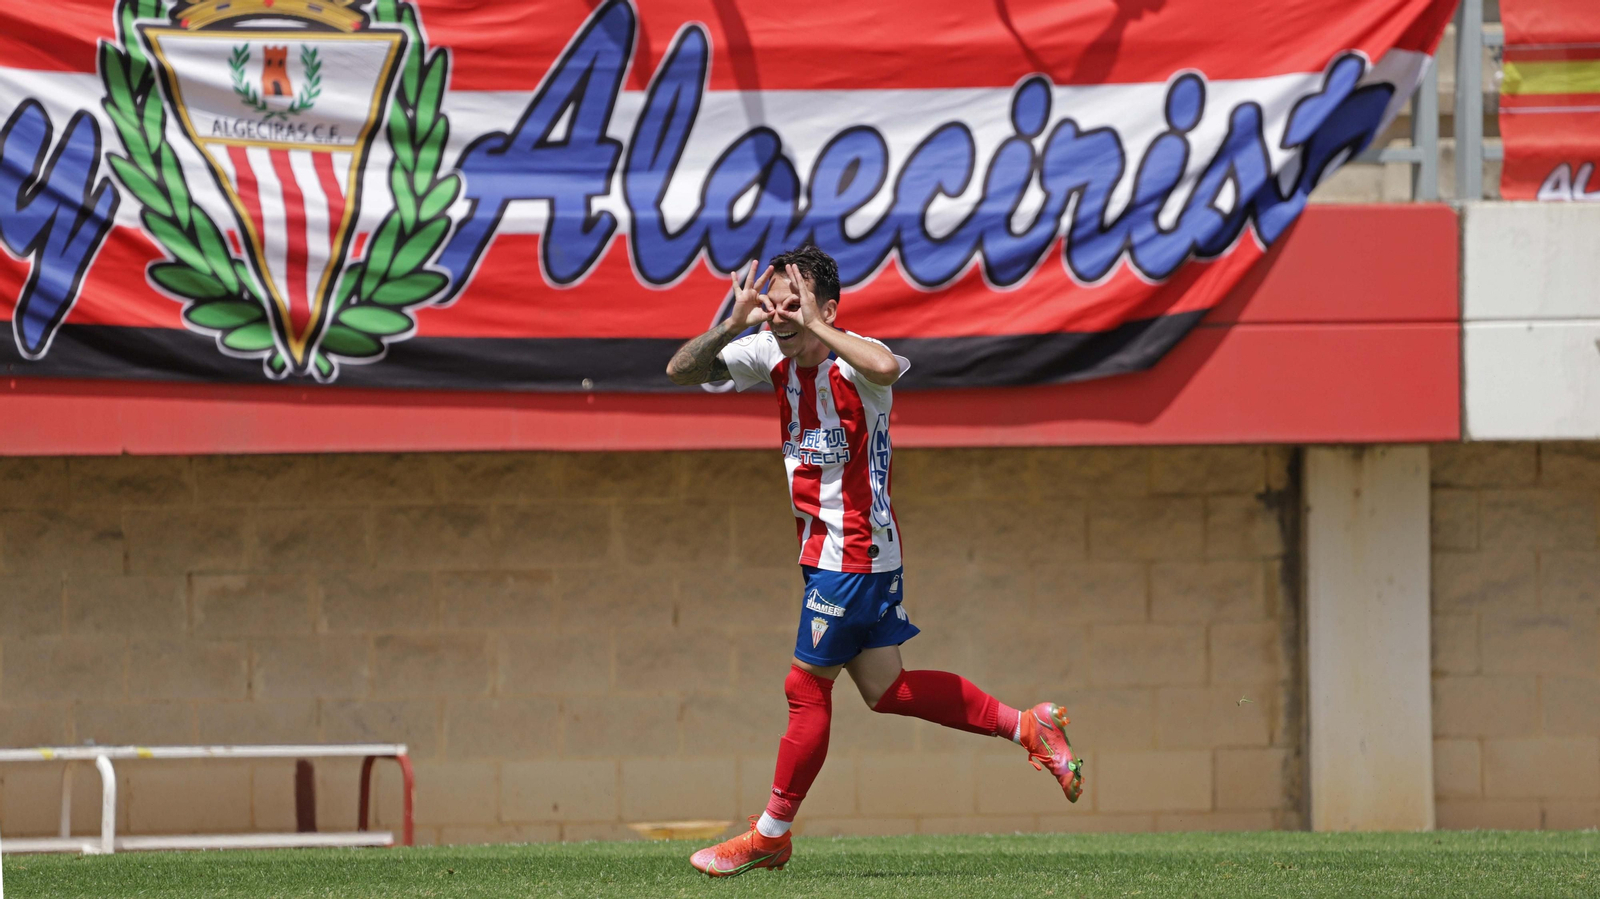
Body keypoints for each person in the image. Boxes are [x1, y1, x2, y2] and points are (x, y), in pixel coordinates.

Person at [665, 245, 1083, 878]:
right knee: (887, 690)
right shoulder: (768, 350)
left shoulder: (851, 359)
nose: (780, 308)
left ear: (825, 306)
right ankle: (1029, 726)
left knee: (805, 687)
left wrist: (818, 324)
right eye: (775, 296)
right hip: (832, 555)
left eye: (793, 297)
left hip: (854, 553)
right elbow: (679, 370)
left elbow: (887, 366)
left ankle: (770, 834)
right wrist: (734, 319)